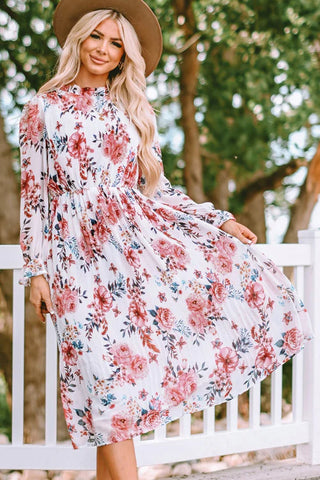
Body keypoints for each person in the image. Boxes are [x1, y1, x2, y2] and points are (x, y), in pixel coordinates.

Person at [19, 0, 313, 478]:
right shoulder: (42, 109)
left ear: (124, 57)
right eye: (97, 36)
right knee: (104, 390)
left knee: (113, 396)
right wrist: (36, 271)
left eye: (116, 44)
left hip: (130, 258)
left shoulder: (129, 107)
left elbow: (157, 189)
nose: (104, 49)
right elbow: (35, 197)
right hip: (75, 265)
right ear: (79, 38)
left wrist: (217, 221)